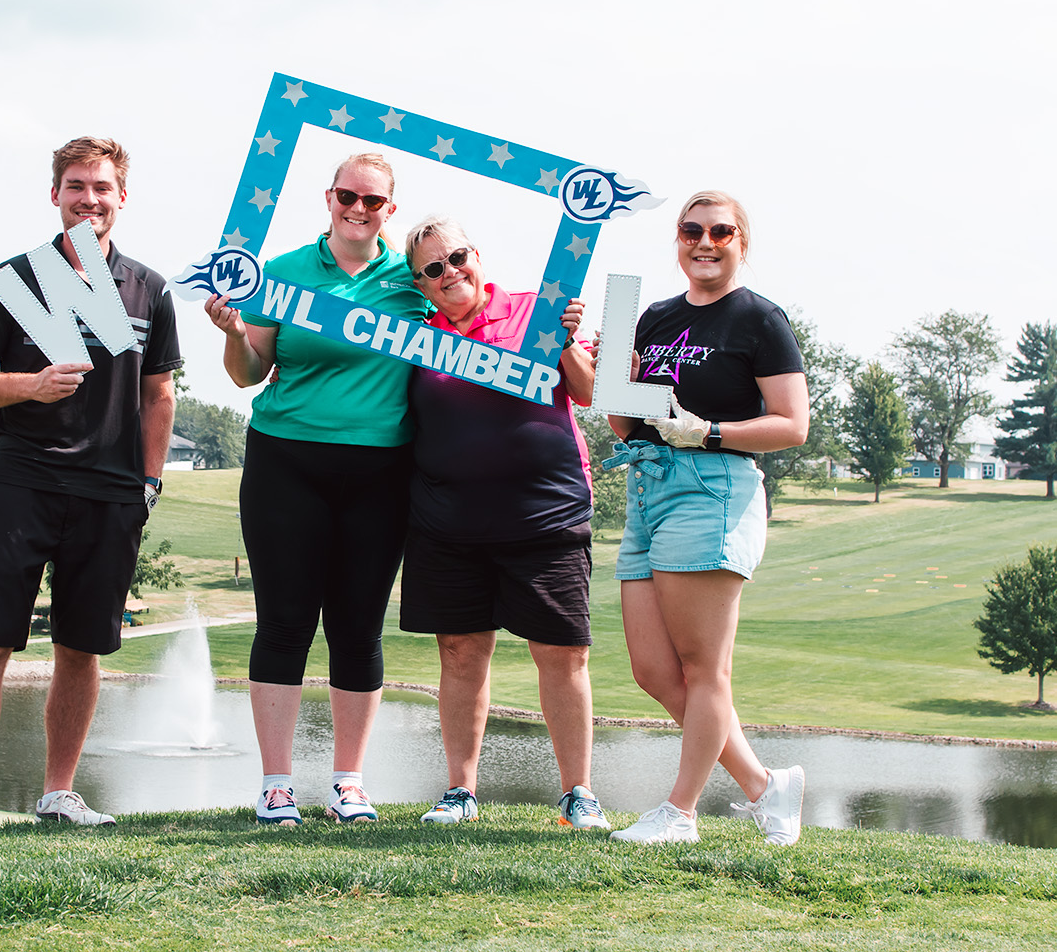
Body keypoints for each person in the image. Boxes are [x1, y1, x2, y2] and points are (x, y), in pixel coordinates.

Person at [0, 137, 181, 839]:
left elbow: (158, 396)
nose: (89, 199)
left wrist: (149, 483)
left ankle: (59, 794)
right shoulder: (14, 279)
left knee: (81, 648)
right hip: (22, 483)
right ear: (55, 195)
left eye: (101, 187)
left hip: (109, 494)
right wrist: (31, 386)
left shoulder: (149, 288)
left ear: (121, 197)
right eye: (75, 186)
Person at [204, 152, 431, 826]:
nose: (358, 210)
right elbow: (248, 373)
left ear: (391, 208)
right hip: (285, 463)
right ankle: (276, 785)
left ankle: (347, 784)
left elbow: (473, 335)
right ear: (327, 198)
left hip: (381, 470)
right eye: (346, 197)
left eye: (373, 201)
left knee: (358, 628)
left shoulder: (413, 279)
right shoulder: (282, 272)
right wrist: (229, 333)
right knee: (284, 621)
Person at [603, 190, 808, 845]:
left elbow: (792, 424)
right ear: (678, 238)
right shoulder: (654, 317)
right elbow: (628, 421)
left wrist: (710, 433)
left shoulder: (758, 319)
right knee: (654, 672)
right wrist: (612, 369)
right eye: (692, 230)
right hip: (647, 486)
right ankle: (764, 786)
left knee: (702, 669)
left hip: (713, 489)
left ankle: (680, 812)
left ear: (739, 241)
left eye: (720, 231)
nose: (704, 242)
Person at [400, 216, 610, 830]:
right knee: (461, 653)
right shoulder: (411, 337)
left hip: (546, 515)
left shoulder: (538, 310)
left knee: (562, 654)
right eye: (432, 270)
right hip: (448, 523)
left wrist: (567, 342)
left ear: (478, 256)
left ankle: (578, 794)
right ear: (420, 285)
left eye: (457, 257)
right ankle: (460, 792)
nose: (449, 273)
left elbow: (593, 392)